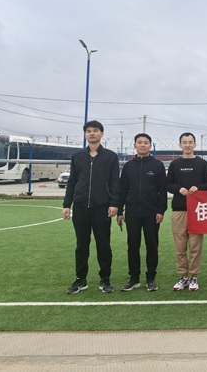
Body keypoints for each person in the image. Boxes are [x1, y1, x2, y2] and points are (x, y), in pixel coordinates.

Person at [62, 120, 120, 294]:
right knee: (82, 245)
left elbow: (115, 182)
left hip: (102, 207)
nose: (92, 133)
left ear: (102, 134)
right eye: (88, 131)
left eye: (95, 130)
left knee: (103, 244)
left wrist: (114, 203)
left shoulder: (110, 157)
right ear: (85, 134)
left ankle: (105, 279)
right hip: (80, 207)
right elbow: (72, 181)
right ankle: (81, 279)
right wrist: (67, 204)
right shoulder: (77, 157)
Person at [116, 133, 167, 292]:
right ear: (135, 145)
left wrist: (161, 210)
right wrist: (120, 211)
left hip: (151, 213)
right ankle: (134, 278)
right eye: (140, 142)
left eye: (146, 142)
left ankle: (151, 278)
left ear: (150, 145)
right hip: (132, 213)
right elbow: (122, 190)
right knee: (133, 246)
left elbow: (162, 191)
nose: (143, 145)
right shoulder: (128, 166)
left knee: (152, 245)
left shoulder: (157, 165)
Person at [166, 132, 207, 291]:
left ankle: (193, 276)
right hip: (179, 210)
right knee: (180, 247)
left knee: (195, 246)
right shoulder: (175, 164)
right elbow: (168, 184)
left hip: (198, 211)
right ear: (180, 145)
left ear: (195, 144)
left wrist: (198, 188)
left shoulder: (202, 164)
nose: (187, 145)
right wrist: (179, 189)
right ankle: (182, 277)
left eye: (190, 142)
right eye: (184, 142)